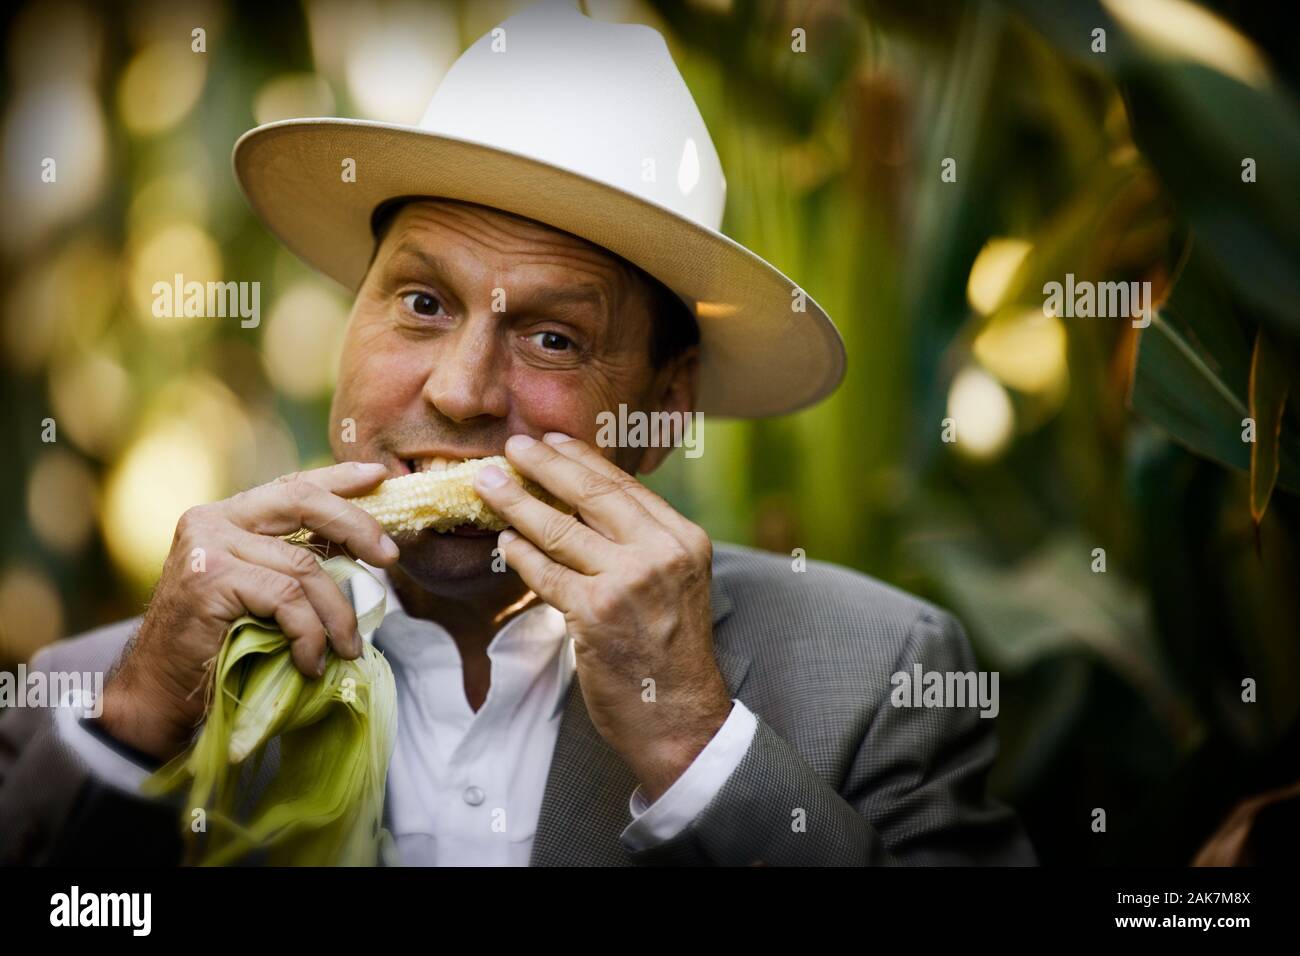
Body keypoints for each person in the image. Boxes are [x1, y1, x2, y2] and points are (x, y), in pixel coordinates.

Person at [0, 0, 1034, 866]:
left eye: (550, 336)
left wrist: (694, 742)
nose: (459, 390)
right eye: (420, 304)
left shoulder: (875, 677)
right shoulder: (94, 693)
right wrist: (134, 725)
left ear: (664, 408)